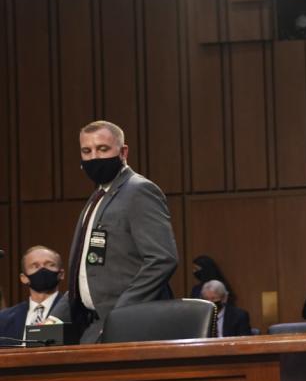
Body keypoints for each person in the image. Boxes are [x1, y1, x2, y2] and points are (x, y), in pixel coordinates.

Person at [51, 121, 178, 344]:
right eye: (86, 151)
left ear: (123, 152)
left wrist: (121, 315)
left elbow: (162, 259)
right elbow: (85, 271)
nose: (94, 158)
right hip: (94, 326)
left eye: (102, 149)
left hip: (132, 327)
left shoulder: (139, 190)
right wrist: (55, 318)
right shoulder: (98, 197)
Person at [0, 246, 66, 341]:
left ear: (61, 274)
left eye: (50, 265)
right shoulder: (3, 318)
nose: (43, 269)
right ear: (24, 278)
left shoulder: (75, 311)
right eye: (35, 266)